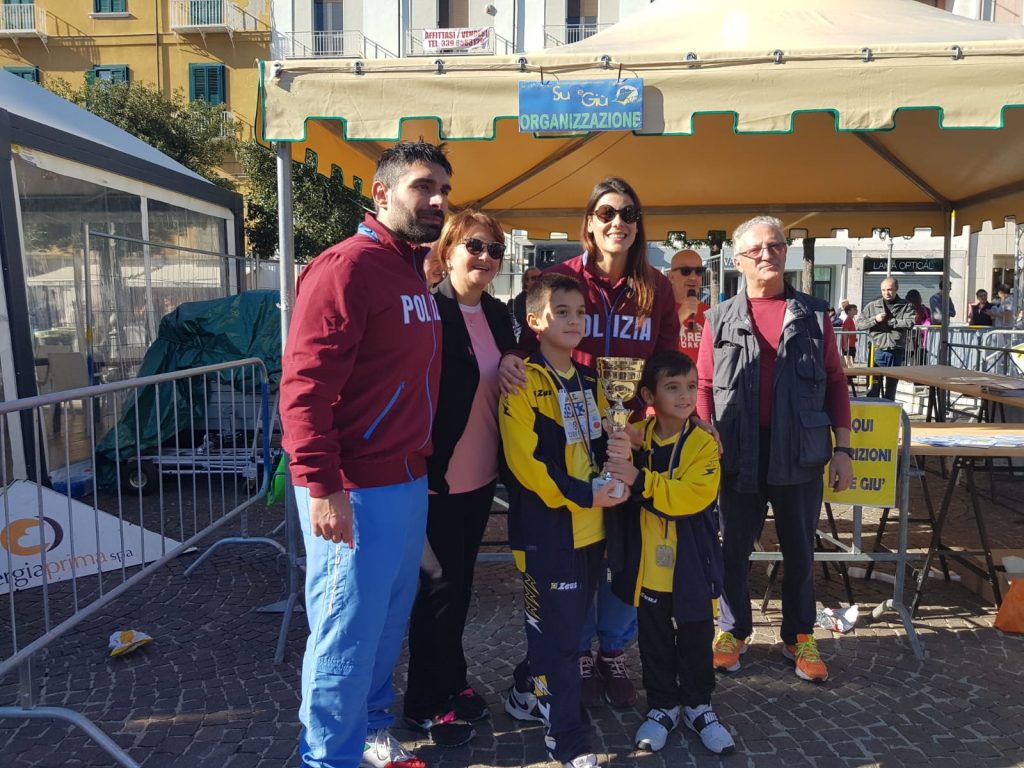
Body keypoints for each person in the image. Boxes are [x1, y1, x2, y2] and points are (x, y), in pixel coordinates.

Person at [279, 140, 452, 768]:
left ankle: (373, 730)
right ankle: (327, 757)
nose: (437, 201)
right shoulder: (346, 267)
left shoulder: (410, 269)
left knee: (382, 623)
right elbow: (303, 388)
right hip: (353, 487)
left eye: (444, 190)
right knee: (344, 634)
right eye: (423, 186)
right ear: (381, 193)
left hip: (404, 481)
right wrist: (322, 486)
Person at [498, 177, 680, 709]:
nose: (617, 222)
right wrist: (510, 358)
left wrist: (652, 421)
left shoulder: (657, 287)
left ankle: (613, 650)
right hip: (570, 439)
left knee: (624, 551)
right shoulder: (561, 279)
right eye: (606, 213)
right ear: (589, 222)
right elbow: (526, 340)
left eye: (628, 213)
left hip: (628, 439)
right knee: (578, 551)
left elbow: (667, 362)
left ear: (639, 224)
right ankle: (577, 652)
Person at [697, 215, 853, 684]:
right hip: (737, 450)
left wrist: (844, 449)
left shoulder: (814, 315)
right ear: (738, 260)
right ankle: (732, 630)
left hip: (800, 450)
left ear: (787, 252)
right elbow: (703, 385)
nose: (768, 254)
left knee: (800, 550)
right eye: (757, 249)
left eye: (777, 246)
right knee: (732, 549)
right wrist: (705, 436)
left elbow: (835, 382)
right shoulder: (718, 318)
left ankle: (798, 635)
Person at [402, 210, 517, 746]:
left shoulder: (498, 314)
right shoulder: (427, 310)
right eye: (475, 245)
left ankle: (453, 680)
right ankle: (423, 704)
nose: (486, 258)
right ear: (447, 251)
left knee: (461, 587)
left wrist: (515, 359)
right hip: (435, 479)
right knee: (438, 592)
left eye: (495, 250)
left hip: (481, 477)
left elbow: (508, 362)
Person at [499, 273, 621, 768]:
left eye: (580, 312)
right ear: (535, 321)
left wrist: (622, 454)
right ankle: (568, 741)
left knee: (562, 634)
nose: (574, 321)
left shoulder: (594, 381)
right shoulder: (522, 380)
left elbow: (607, 442)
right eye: (562, 312)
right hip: (546, 531)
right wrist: (584, 493)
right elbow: (524, 465)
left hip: (593, 529)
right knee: (562, 643)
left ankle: (524, 691)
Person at [604, 351, 735, 755]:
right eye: (672, 387)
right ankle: (662, 706)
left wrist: (639, 479)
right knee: (654, 638)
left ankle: (699, 706)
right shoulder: (635, 436)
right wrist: (619, 448)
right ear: (648, 395)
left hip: (692, 560)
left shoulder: (704, 443)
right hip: (648, 563)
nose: (684, 396)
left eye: (691, 387)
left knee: (696, 634)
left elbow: (691, 497)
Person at [856, 277, 916, 400]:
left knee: (891, 386)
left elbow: (910, 322)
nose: (886, 293)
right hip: (877, 350)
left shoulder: (905, 305)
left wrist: (892, 322)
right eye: (883, 290)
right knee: (873, 386)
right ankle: (873, 409)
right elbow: (859, 324)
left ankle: (889, 408)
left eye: (889, 290)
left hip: (896, 349)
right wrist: (875, 319)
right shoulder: (873, 305)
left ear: (896, 289)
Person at [667, 249, 709, 364]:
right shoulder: (659, 309)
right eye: (686, 271)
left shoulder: (709, 313)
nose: (693, 277)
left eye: (699, 271)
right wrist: (680, 316)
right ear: (671, 276)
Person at [508, 267, 542, 341]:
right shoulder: (520, 299)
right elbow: (522, 320)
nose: (538, 281)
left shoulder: (545, 297)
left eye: (540, 277)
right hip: (526, 339)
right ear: (526, 282)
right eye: (534, 278)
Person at [904, 289, 931, 365]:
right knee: (921, 357)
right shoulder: (925, 309)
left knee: (907, 358)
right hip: (922, 337)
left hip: (908, 337)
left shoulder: (906, 309)